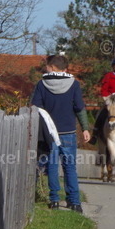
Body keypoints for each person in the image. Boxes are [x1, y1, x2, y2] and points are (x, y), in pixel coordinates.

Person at [31, 54, 91, 212]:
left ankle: (55, 200)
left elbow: (35, 107)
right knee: (70, 167)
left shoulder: (42, 84)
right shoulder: (74, 84)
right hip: (68, 132)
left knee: (52, 166)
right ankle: (74, 202)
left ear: (51, 67)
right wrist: (85, 128)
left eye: (47, 66)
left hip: (50, 133)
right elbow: (79, 107)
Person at [92, 58, 115, 143]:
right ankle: (95, 133)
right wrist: (107, 98)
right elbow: (104, 89)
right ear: (113, 67)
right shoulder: (108, 76)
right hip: (110, 100)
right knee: (102, 113)